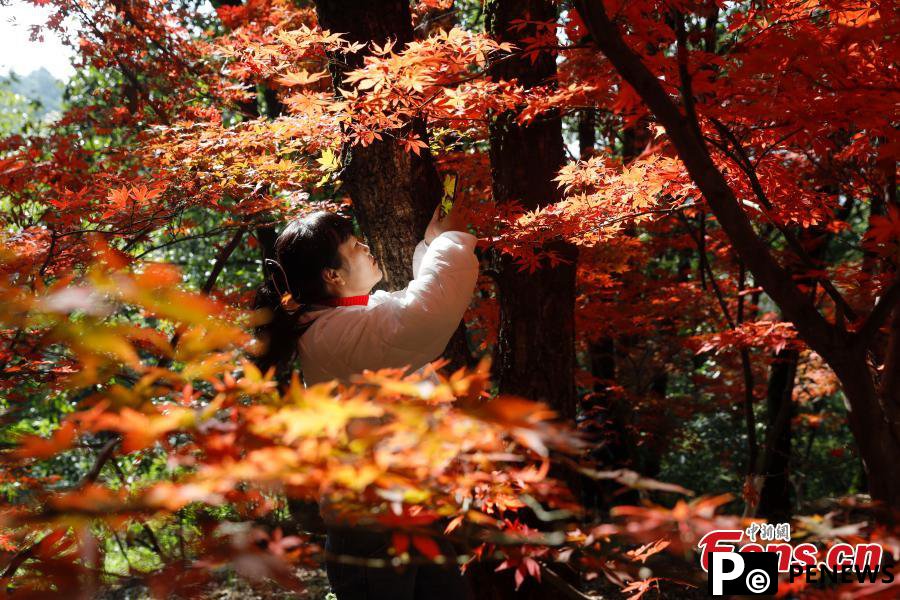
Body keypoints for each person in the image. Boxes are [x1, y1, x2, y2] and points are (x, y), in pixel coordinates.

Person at [253, 202, 479, 599]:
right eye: (355, 245)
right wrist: (450, 242)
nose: (366, 247)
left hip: (410, 519)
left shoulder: (352, 319)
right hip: (373, 532)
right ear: (333, 275)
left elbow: (408, 305)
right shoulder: (332, 335)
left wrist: (431, 245)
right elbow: (423, 316)